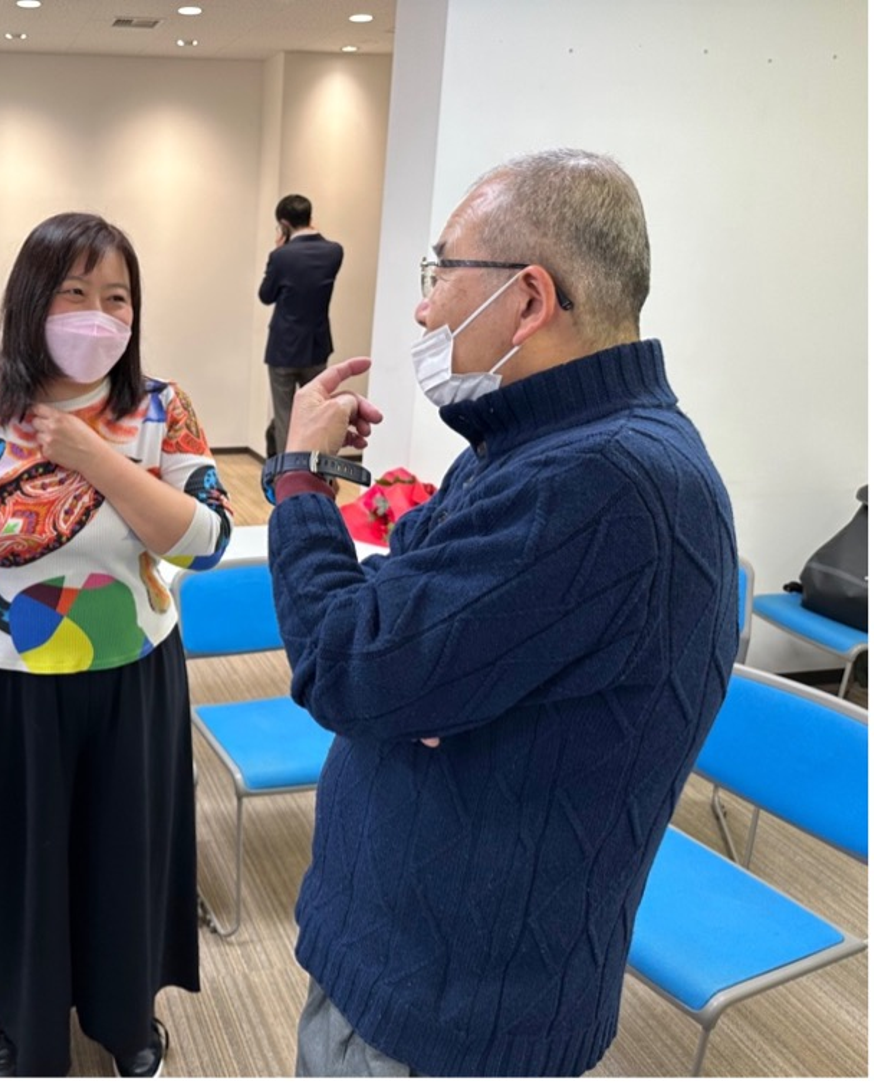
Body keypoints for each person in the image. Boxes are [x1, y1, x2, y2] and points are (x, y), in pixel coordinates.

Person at [261, 149, 738, 1076]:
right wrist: (417, 678)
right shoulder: (535, 444)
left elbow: (347, 665)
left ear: (528, 300)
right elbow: (398, 615)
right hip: (410, 951)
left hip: (448, 1006)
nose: (423, 308)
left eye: (440, 272)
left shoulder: (604, 482)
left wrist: (302, 481)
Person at [0, 211, 232, 1077]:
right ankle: (17, 1024)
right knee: (16, 865)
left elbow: (205, 541)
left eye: (117, 297)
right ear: (30, 301)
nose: (98, 315)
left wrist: (94, 456)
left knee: (125, 853)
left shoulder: (159, 408)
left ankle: (126, 1017)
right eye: (74, 292)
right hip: (6, 682)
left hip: (134, 676)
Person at [257, 193, 344, 456]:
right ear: (310, 217)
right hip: (317, 347)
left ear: (284, 224)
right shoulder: (334, 251)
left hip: (283, 349)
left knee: (285, 418)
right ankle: (316, 470)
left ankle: (287, 474)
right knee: (317, 414)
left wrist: (279, 249)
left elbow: (266, 295)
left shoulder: (281, 256)